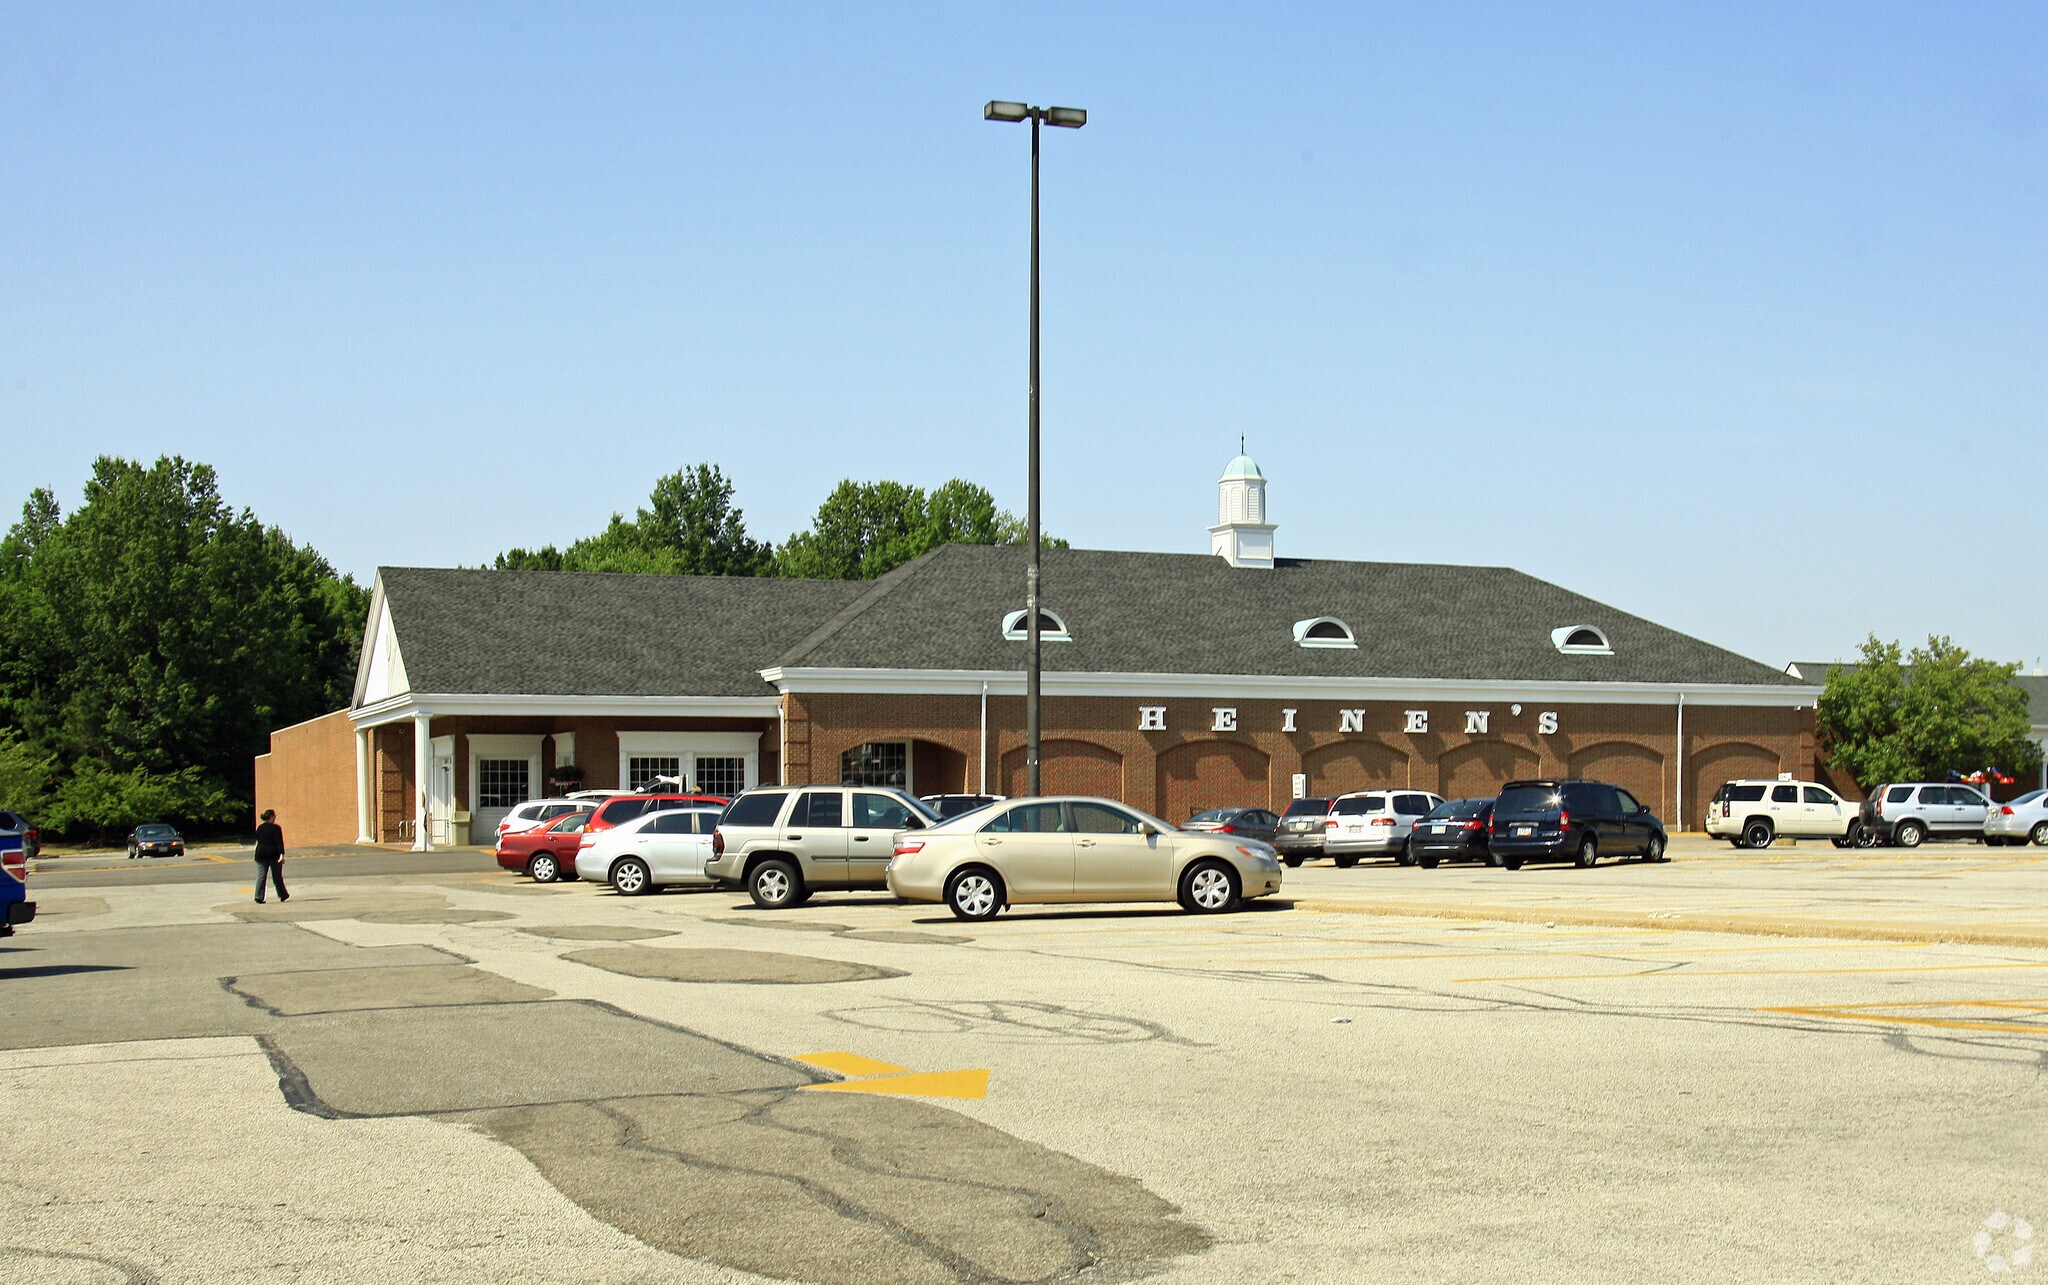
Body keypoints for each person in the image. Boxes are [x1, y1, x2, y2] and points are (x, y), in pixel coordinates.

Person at [253, 809, 289, 904]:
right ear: (272, 817)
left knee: (261, 876)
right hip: (273, 855)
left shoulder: (259, 828)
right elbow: (279, 843)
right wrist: (282, 855)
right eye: (275, 816)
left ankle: (258, 896)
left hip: (260, 854)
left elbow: (258, 839)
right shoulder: (276, 828)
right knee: (277, 876)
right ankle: (283, 895)